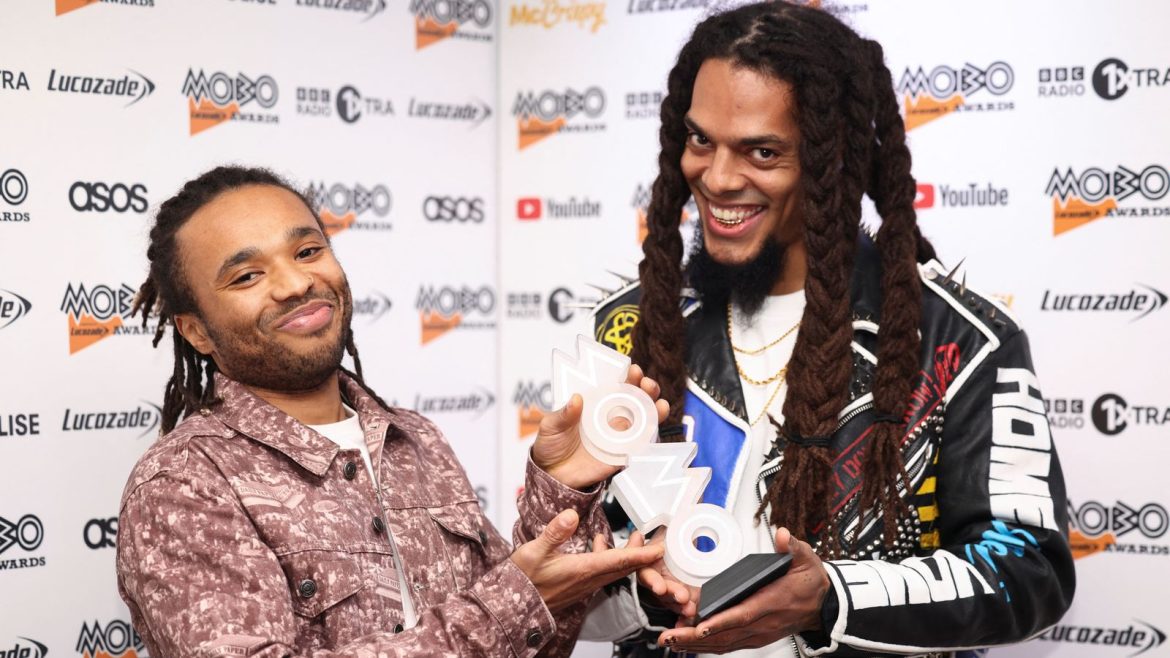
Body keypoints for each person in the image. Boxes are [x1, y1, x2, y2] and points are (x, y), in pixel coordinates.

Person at [588, 3, 1075, 656]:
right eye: (701, 141)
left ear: (832, 161)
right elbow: (561, 579)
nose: (718, 178)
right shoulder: (630, 329)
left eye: (762, 151)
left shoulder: (960, 343)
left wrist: (832, 600)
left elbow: (1030, 571)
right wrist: (638, 585)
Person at [115, 166, 670, 657]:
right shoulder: (183, 485)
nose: (297, 283)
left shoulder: (415, 439)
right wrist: (512, 603)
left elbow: (529, 646)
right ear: (195, 331)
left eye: (307, 252)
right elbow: (503, 617)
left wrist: (561, 488)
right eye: (247, 276)